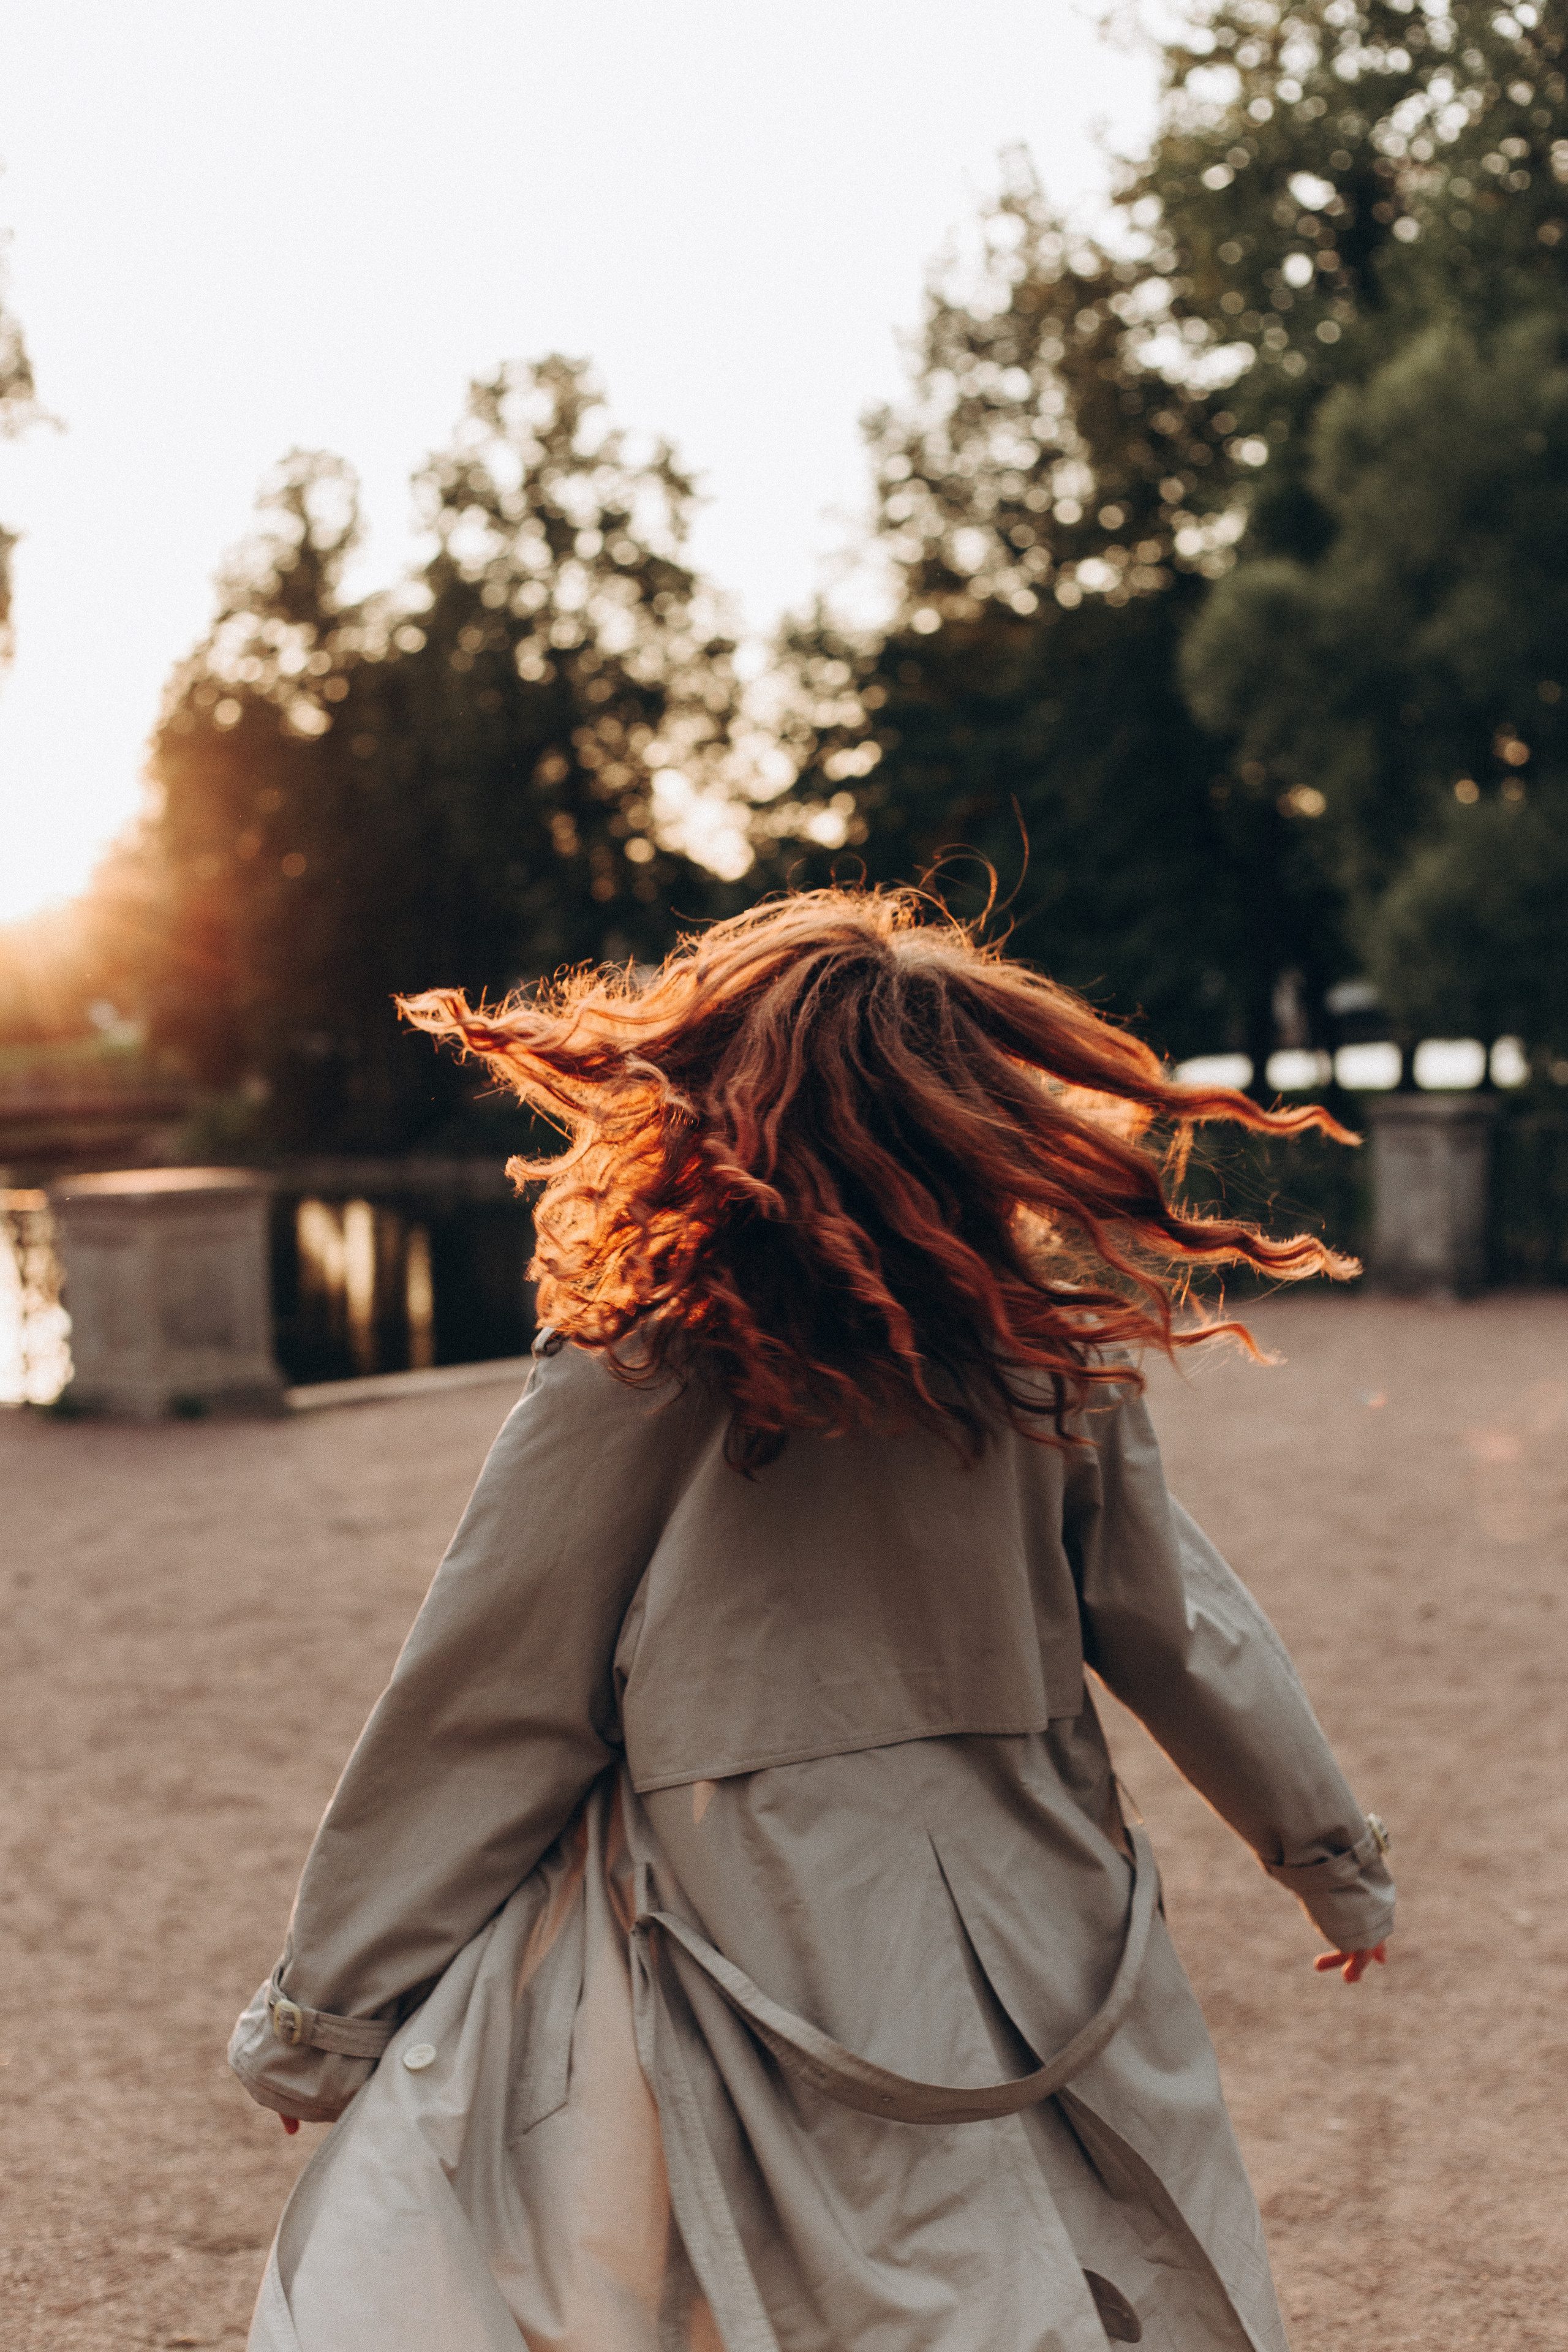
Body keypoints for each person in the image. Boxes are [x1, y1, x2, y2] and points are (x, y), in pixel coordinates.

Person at [230, 888, 1393, 2352]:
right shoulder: (1042, 1354)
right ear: (973, 1112)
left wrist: (327, 2015)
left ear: (713, 1099)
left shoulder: (642, 1362)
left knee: (784, 2289)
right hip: (1035, 1891)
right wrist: (1328, 1862)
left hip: (745, 1912)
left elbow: (493, 1692)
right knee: (1036, 2272)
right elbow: (1179, 1629)